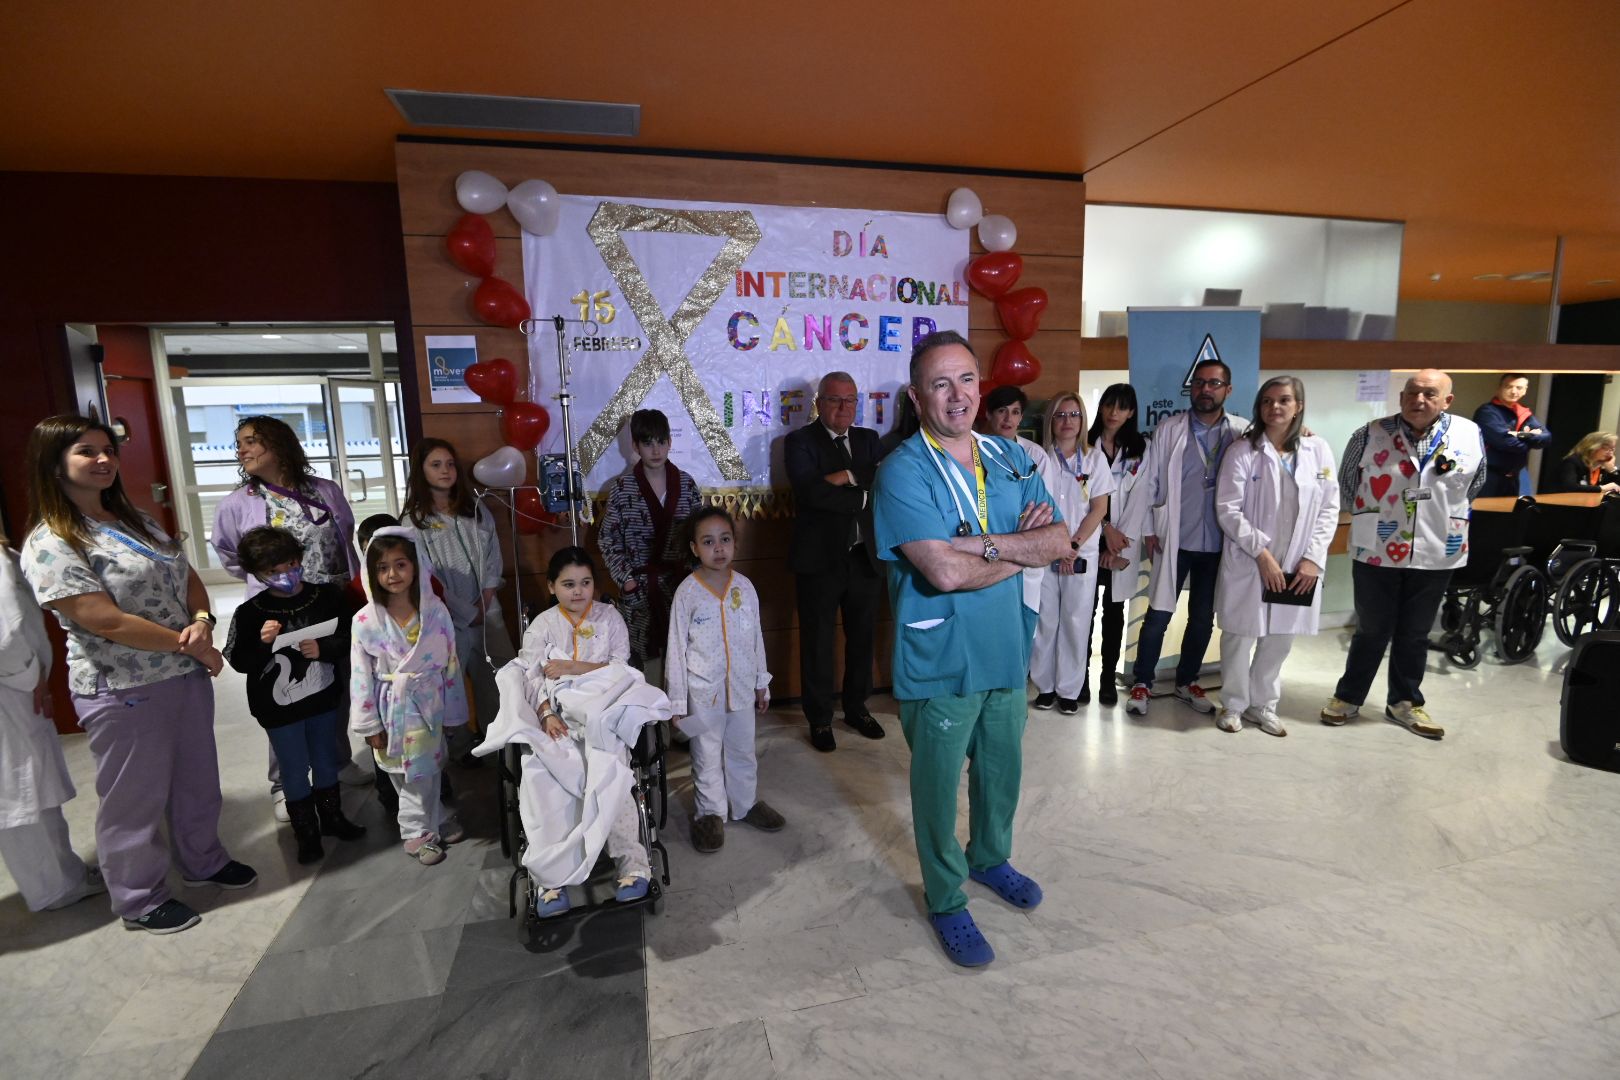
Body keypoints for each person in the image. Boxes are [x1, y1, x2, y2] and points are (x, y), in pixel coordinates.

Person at [872, 330, 1069, 968]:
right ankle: (947, 897)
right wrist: (1017, 544)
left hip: (1004, 645)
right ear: (916, 395)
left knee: (1000, 769)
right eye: (939, 383)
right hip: (940, 655)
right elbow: (943, 574)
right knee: (936, 787)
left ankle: (990, 858)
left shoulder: (1009, 456)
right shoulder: (901, 469)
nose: (956, 396)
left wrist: (981, 545)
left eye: (965, 380)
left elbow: (1060, 539)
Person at [21, 415, 255, 934]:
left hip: (183, 674)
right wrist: (187, 645)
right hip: (124, 686)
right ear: (55, 463)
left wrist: (200, 621)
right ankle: (139, 898)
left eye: (108, 450)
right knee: (134, 798)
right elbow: (99, 618)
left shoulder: (134, 519)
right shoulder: (51, 542)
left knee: (197, 778)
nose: (104, 460)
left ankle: (204, 861)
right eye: (87, 451)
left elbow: (187, 575)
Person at [212, 415, 365, 821]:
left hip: (330, 603)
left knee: (335, 683)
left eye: (251, 441)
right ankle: (284, 782)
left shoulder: (326, 490)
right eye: (239, 443)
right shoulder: (237, 503)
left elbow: (344, 536)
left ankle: (336, 760)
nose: (242, 450)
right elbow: (232, 555)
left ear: (278, 444)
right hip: (278, 612)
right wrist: (272, 585)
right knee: (283, 690)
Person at [1322, 369, 1487, 738]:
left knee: (1415, 632)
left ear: (1448, 401)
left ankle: (1406, 703)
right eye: (1412, 392)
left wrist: (1437, 513)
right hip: (1377, 547)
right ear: (1401, 398)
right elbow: (1348, 486)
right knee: (1371, 629)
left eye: (1430, 394)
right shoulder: (1369, 433)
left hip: (1437, 547)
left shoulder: (1469, 434)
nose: (1419, 400)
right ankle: (1347, 697)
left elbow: (1475, 484)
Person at [512, 547, 650, 915]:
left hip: (603, 713)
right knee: (540, 777)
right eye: (569, 584)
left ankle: (632, 864)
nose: (578, 592)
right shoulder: (542, 625)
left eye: (586, 583)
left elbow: (621, 667)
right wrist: (544, 714)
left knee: (612, 773)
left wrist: (574, 667)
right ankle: (550, 881)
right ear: (552, 586)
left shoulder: (610, 618)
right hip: (555, 716)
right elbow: (528, 676)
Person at [222, 526, 366, 864]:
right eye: (271, 572)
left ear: (299, 559)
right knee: (293, 767)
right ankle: (306, 832)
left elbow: (352, 636)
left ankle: (332, 818)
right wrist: (262, 643)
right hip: (278, 708)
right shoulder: (251, 612)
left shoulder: (327, 596)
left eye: (288, 565)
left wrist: (324, 647)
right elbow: (239, 660)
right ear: (256, 574)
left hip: (322, 696)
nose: (284, 575)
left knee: (325, 757)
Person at [1116, 359, 1247, 718]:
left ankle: (1186, 681)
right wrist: (1148, 528)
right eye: (1200, 383)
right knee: (1158, 614)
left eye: (1214, 383)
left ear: (1227, 390)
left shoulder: (1242, 431)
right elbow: (1151, 482)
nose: (1206, 389)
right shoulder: (1170, 429)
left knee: (1203, 618)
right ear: (1192, 388)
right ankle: (1143, 682)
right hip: (1175, 538)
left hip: (1220, 544)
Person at [1212, 377, 1340, 737]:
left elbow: (1330, 507)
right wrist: (1261, 554)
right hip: (1251, 560)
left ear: (1298, 406)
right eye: (1267, 401)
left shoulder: (1318, 450)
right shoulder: (1243, 451)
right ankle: (1234, 704)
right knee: (1240, 633)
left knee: (1280, 636)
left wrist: (1313, 559)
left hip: (1298, 561)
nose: (1275, 408)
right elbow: (1227, 509)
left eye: (1284, 400)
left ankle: (1262, 705)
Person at [665, 506, 783, 853]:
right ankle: (710, 815)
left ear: (734, 543)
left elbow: (756, 638)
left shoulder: (745, 588)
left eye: (725, 540)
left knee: (743, 751)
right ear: (694, 548)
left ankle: (745, 804)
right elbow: (675, 649)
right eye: (708, 541)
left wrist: (762, 681)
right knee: (705, 755)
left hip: (743, 690)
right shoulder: (687, 594)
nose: (718, 549)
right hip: (703, 695)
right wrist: (677, 701)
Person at [349, 527, 468, 864]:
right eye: (383, 568)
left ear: (417, 566)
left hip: (428, 702)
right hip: (389, 706)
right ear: (371, 573)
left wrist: (453, 712)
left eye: (400, 564)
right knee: (404, 773)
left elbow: (450, 665)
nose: (392, 574)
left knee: (426, 770)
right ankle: (421, 831)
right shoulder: (364, 620)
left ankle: (430, 823)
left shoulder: (436, 612)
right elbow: (359, 676)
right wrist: (369, 723)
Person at [0, 532, 105, 912]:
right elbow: (7, 638)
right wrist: (31, 679)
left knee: (28, 791)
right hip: (10, 693)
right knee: (21, 796)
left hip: (12, 688)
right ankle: (53, 888)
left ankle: (62, 876)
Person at [785, 371, 886, 752]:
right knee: (818, 642)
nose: (844, 407)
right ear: (819, 403)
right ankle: (820, 718)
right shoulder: (798, 442)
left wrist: (841, 478)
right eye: (834, 400)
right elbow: (810, 494)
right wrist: (856, 485)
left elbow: (880, 484)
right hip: (819, 561)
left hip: (864, 557)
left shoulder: (869, 440)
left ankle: (857, 709)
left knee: (862, 639)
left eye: (850, 400)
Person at [402, 438, 517, 758]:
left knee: (499, 680)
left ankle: (503, 747)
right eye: (436, 465)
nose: (445, 471)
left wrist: (485, 601)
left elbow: (493, 557)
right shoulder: (414, 522)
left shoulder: (476, 510)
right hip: (447, 617)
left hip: (487, 610)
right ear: (421, 472)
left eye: (450, 464)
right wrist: (466, 611)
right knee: (448, 686)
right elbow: (426, 576)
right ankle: (457, 748)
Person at [599, 409, 702, 677]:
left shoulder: (687, 484)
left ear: (670, 442)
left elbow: (699, 536)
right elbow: (608, 538)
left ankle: (681, 718)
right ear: (635, 446)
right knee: (647, 664)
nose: (655, 450)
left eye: (661, 441)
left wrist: (698, 578)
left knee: (687, 657)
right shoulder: (623, 488)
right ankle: (652, 719)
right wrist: (627, 580)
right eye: (647, 443)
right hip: (641, 588)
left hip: (681, 584)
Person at [1028, 392, 1114, 713]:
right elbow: (1034, 506)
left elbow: (1099, 508)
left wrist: (1073, 545)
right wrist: (1058, 547)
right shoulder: (1041, 458)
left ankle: (1069, 690)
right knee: (1046, 620)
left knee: (1076, 621)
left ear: (1083, 420)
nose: (1067, 421)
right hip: (1046, 552)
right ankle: (1046, 687)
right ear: (1051, 420)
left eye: (1074, 415)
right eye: (1061, 415)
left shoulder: (1094, 459)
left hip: (1081, 553)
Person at [1087, 384, 1149, 707]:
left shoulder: (1141, 448)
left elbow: (1141, 498)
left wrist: (1118, 539)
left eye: (1121, 407)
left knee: (1114, 615)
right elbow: (1080, 499)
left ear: (1131, 412)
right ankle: (1079, 678)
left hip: (1120, 544)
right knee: (1083, 612)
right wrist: (1104, 531)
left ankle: (1107, 680)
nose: (1113, 413)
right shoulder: (1085, 446)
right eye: (1109, 405)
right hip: (1090, 539)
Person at [982, 384, 1053, 625]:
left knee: (1022, 629)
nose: (1008, 418)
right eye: (1001, 411)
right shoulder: (972, 451)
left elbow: (1043, 510)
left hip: (1025, 553)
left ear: (1022, 417)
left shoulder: (1035, 455)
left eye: (1014, 412)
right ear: (988, 414)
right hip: (987, 551)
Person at [1473, 373, 1550, 497]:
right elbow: (1505, 442)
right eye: (1509, 387)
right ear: (1499, 388)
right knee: (1484, 514)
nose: (1514, 391)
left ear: (1525, 390)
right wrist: (1529, 441)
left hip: (1513, 478)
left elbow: (1546, 438)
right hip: (1488, 476)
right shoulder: (1487, 412)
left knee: (1510, 514)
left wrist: (1518, 435)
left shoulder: (1523, 413)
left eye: (1519, 388)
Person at [1552, 432, 1620, 495]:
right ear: (1592, 446)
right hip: (1561, 504)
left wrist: (1612, 470)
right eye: (1606, 447)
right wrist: (1602, 488)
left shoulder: (1601, 465)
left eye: (1612, 449)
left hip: (1586, 504)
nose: (1610, 452)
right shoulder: (1572, 461)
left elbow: (1615, 488)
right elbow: (1570, 487)